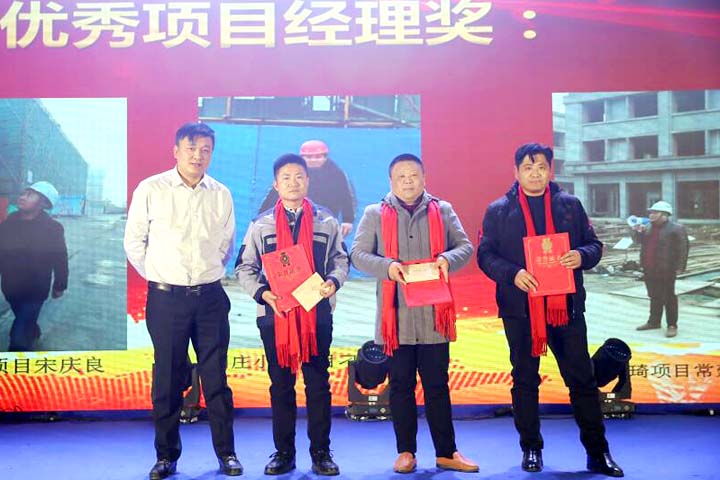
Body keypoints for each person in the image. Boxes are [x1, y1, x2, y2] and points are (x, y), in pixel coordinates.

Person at [477, 143, 623, 477]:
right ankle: (531, 448)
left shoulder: (569, 205)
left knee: (582, 380)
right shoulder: (499, 210)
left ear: (550, 170)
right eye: (528, 168)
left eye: (541, 167)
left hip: (565, 308)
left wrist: (581, 256)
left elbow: (594, 245)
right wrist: (513, 274)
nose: (535, 173)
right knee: (525, 379)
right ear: (516, 172)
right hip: (520, 309)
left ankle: (598, 453)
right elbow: (485, 255)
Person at [124, 122, 241, 479]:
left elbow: (226, 246)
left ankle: (227, 454)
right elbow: (134, 243)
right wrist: (162, 276)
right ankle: (166, 456)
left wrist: (202, 276)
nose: (198, 155)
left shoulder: (221, 193)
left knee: (216, 378)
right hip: (166, 300)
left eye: (205, 150)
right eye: (191, 148)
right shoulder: (151, 189)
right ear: (176, 151)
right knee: (168, 378)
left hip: (210, 299)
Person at [350, 153, 478, 474]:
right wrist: (388, 266)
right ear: (391, 181)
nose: (408, 181)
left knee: (437, 387)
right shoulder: (375, 213)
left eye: (413, 175)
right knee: (401, 387)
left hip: (435, 317)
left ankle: (447, 452)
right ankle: (406, 452)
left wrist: (447, 259)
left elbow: (465, 247)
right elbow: (358, 255)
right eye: (401, 176)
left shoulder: (443, 210)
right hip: (396, 319)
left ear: (424, 178)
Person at [236, 153, 349, 476]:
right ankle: (283, 453)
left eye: (299, 176)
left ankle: (321, 452)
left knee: (318, 384)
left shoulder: (326, 221)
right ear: (276, 184)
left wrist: (333, 282)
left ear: (308, 181)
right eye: (286, 177)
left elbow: (341, 260)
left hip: (316, 314)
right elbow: (244, 266)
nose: (293, 182)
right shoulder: (261, 224)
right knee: (281, 385)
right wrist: (263, 293)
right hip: (276, 315)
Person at [0, 181, 67, 351]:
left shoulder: (53, 228)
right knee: (24, 319)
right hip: (10, 288)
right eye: (23, 193)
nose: (22, 197)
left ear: (43, 203)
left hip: (35, 290)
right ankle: (33, 330)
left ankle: (18, 358)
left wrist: (60, 285)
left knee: (18, 338)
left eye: (29, 195)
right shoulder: (8, 224)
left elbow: (60, 258)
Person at [258, 140, 356, 237]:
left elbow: (346, 196)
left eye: (318, 157)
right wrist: (260, 218)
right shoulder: (290, 172)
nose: (313, 160)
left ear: (325, 157)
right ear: (302, 157)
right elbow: (273, 196)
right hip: (292, 222)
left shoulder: (337, 174)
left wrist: (348, 220)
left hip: (325, 223)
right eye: (309, 157)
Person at [633, 200, 689, 338]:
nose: (651, 215)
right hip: (649, 267)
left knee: (669, 297)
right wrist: (637, 233)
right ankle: (654, 322)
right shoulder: (648, 227)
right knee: (654, 295)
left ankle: (672, 325)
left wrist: (680, 267)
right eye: (651, 212)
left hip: (666, 268)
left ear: (665, 215)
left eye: (655, 212)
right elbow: (638, 242)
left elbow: (683, 249)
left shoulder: (676, 228)